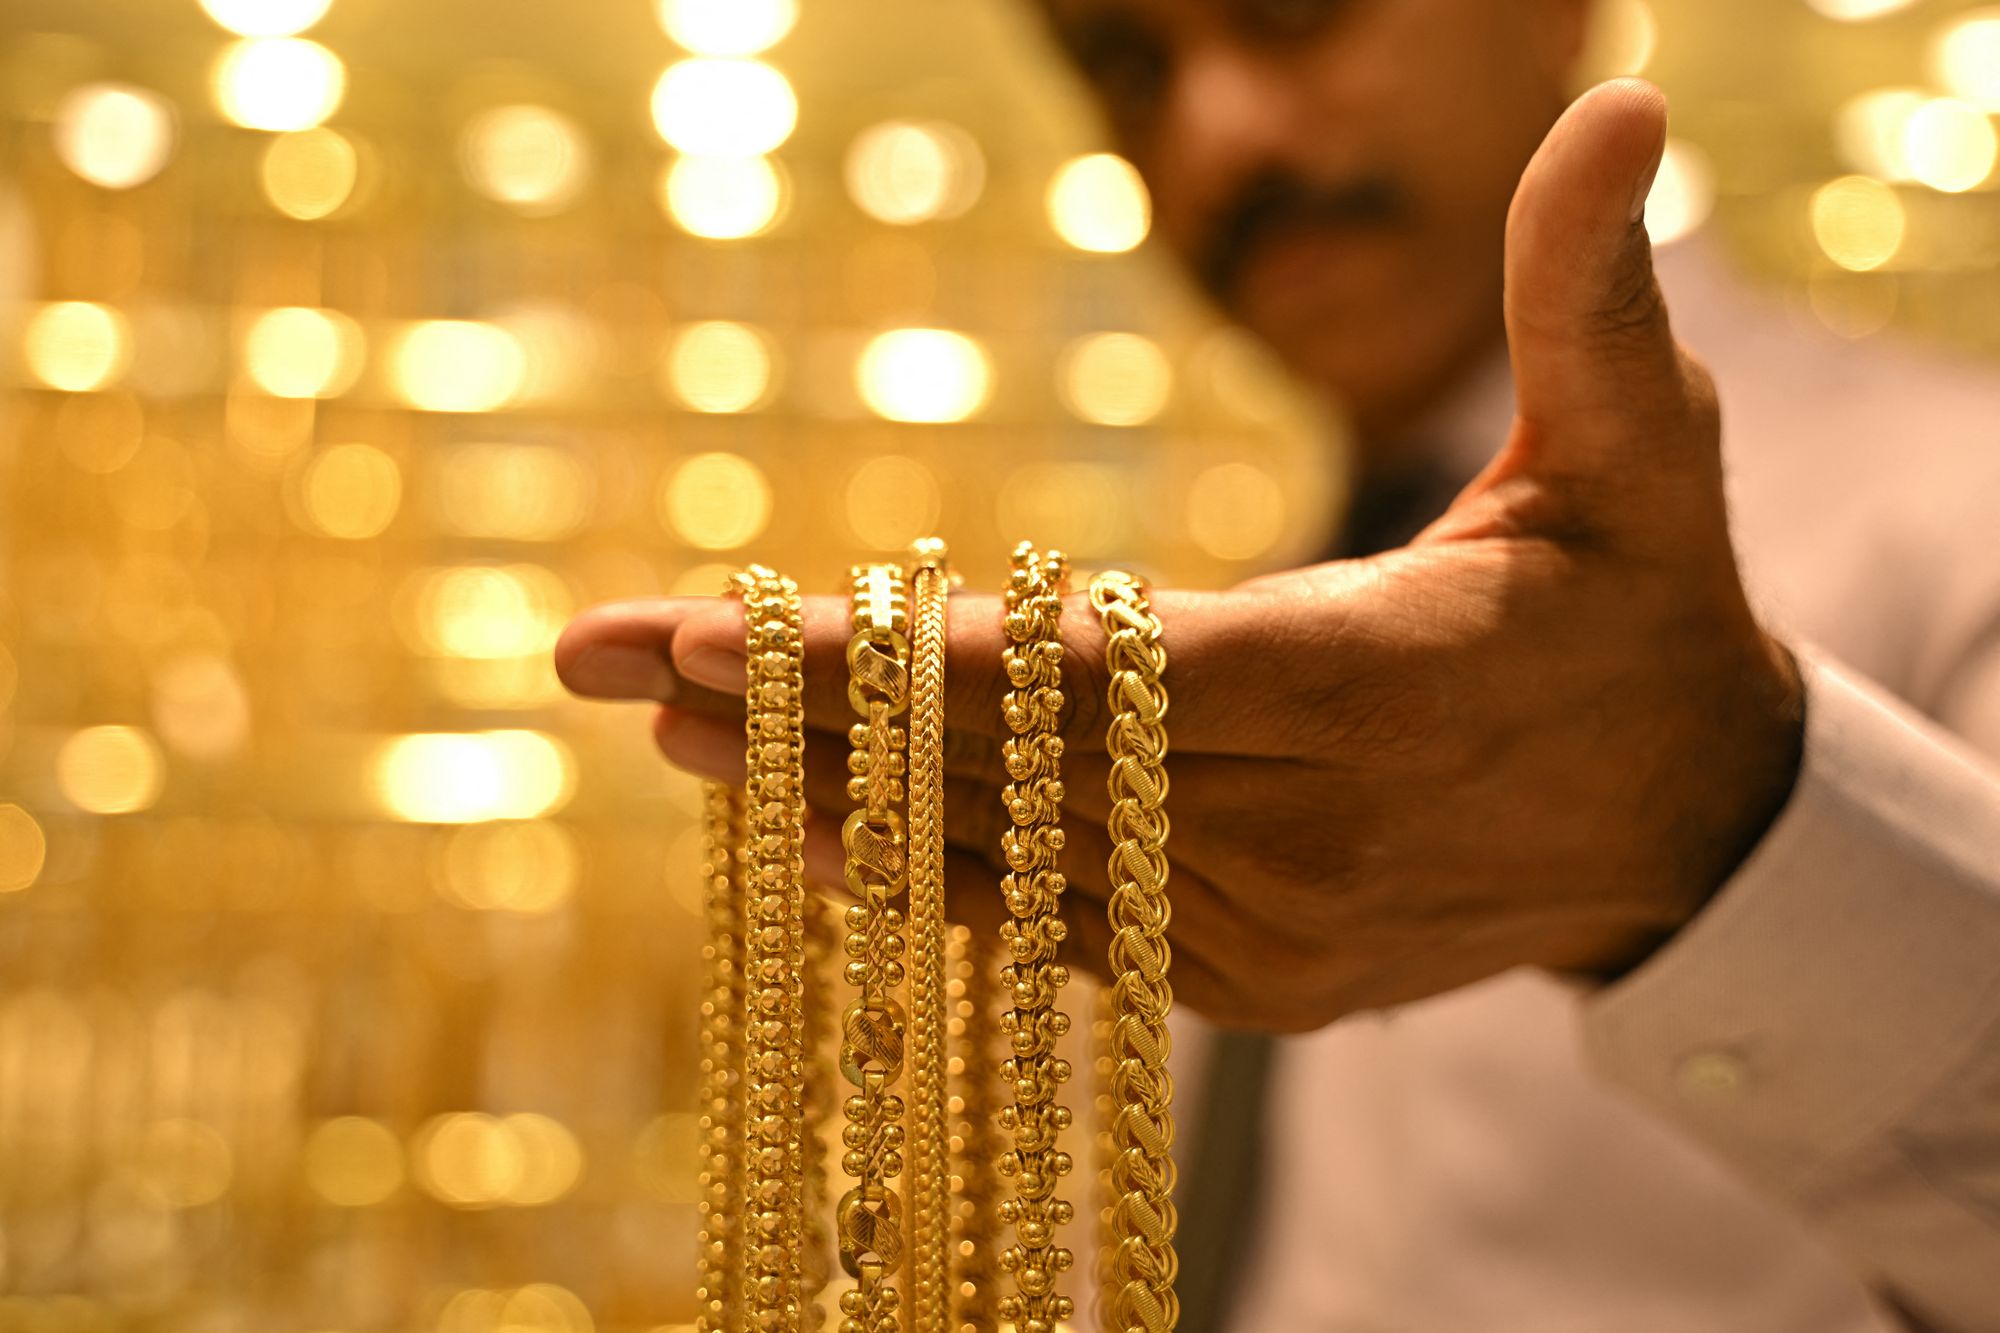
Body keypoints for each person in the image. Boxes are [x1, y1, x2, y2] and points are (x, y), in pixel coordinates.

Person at [556, 0, 2000, 1326]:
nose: (1218, 132)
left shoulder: (1965, 504)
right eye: (1129, 64)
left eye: (1294, 6)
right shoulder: (1193, 675)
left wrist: (1729, 833)